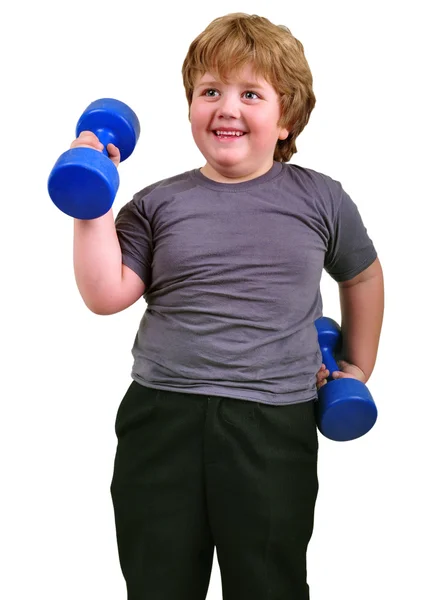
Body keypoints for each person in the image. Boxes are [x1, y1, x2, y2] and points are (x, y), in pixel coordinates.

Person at [71, 12, 384, 600]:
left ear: (286, 116)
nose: (227, 108)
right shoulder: (156, 203)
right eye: (209, 91)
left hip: (272, 421)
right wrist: (94, 201)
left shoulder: (321, 199)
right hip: (163, 415)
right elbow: (105, 293)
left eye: (250, 93)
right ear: (190, 105)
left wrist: (358, 367)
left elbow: (363, 276)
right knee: (157, 580)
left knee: (269, 582)